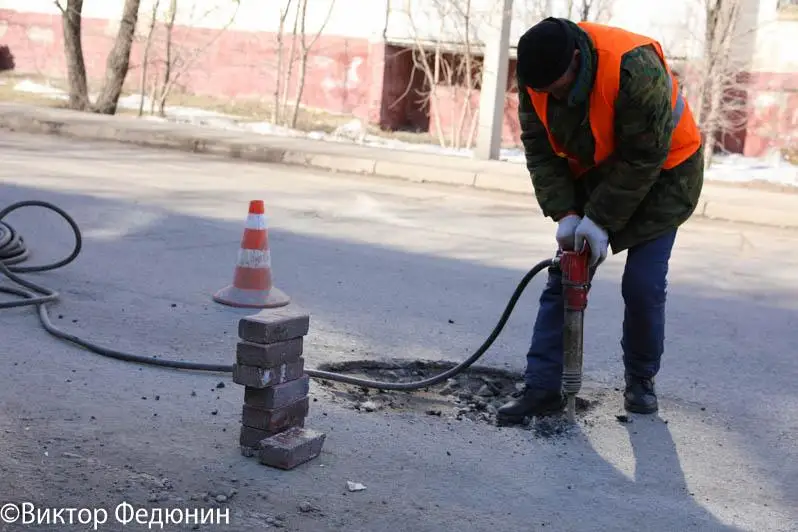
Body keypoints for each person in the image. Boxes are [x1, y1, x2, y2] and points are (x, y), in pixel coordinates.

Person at [496, 17, 704, 423]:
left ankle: (641, 378)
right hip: (596, 170)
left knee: (642, 284)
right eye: (542, 89)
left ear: (576, 58)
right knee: (566, 274)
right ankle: (543, 386)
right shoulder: (535, 74)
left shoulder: (634, 68)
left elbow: (644, 158)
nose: (549, 94)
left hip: (664, 175)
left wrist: (601, 220)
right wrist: (568, 214)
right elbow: (539, 149)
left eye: (557, 85)